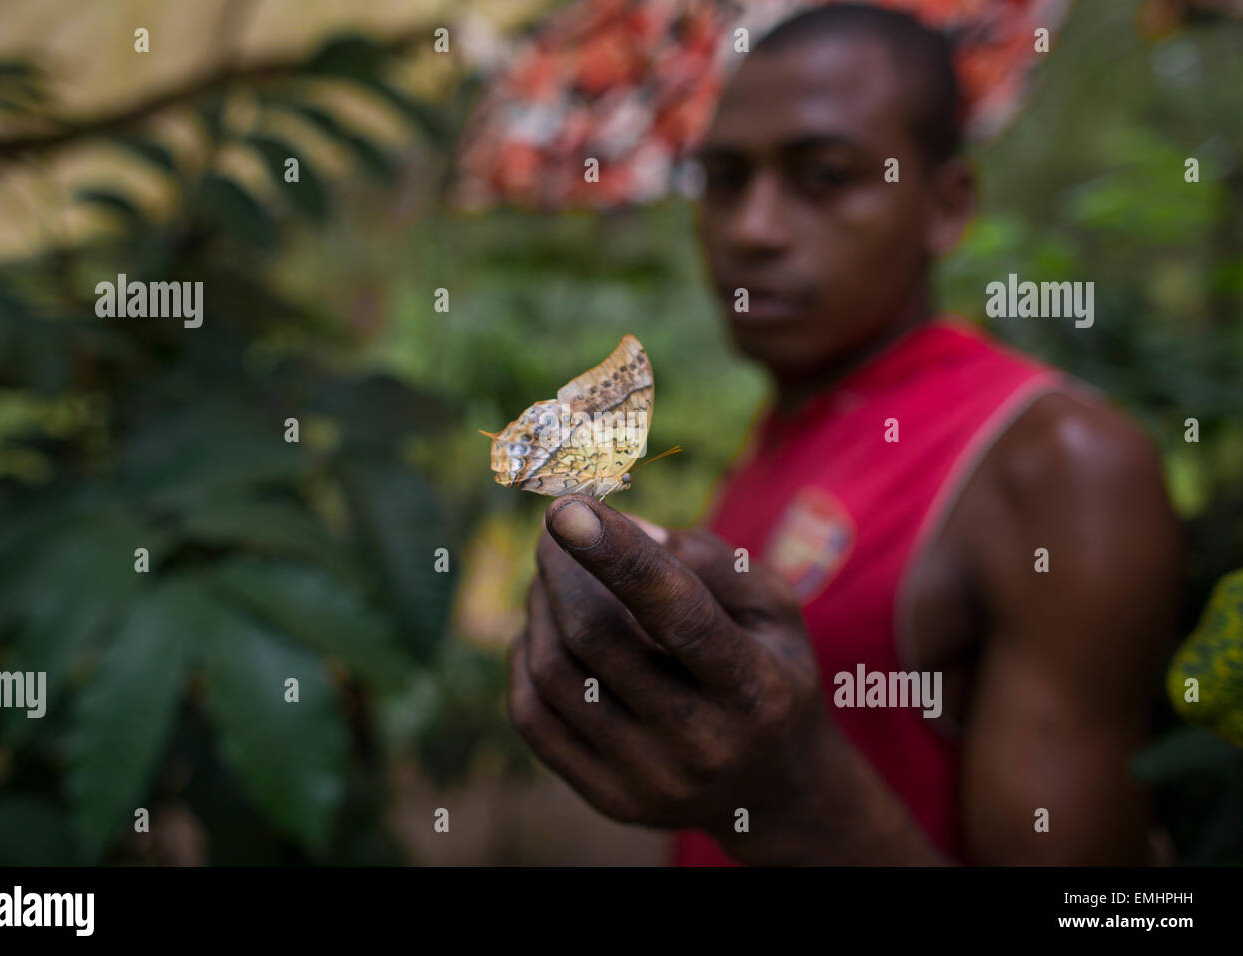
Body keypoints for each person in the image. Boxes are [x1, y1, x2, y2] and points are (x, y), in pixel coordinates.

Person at [505, 3, 1183, 865]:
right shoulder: (789, 425)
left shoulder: (1056, 463)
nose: (752, 229)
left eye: (824, 176)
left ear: (946, 206)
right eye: (721, 179)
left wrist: (789, 797)